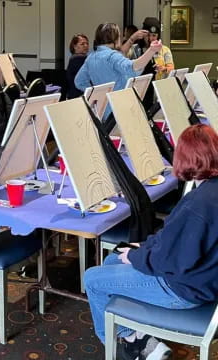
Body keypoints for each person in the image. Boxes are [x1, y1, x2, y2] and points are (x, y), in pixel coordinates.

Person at [84, 124, 218, 360]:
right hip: (205, 279)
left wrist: (136, 256)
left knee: (92, 279)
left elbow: (171, 260)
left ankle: (120, 346)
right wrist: (142, 248)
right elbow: (176, 242)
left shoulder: (199, 204)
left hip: (184, 289)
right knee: (112, 260)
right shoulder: (208, 194)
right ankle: (138, 337)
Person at [75, 23, 162, 119]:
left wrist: (97, 94)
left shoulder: (90, 58)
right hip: (119, 108)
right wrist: (151, 50)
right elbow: (133, 67)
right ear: (115, 38)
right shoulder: (112, 56)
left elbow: (79, 81)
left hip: (101, 110)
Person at [66, 33, 89, 99]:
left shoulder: (74, 58)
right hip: (77, 96)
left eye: (87, 43)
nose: (86, 46)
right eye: (82, 44)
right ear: (75, 46)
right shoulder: (77, 58)